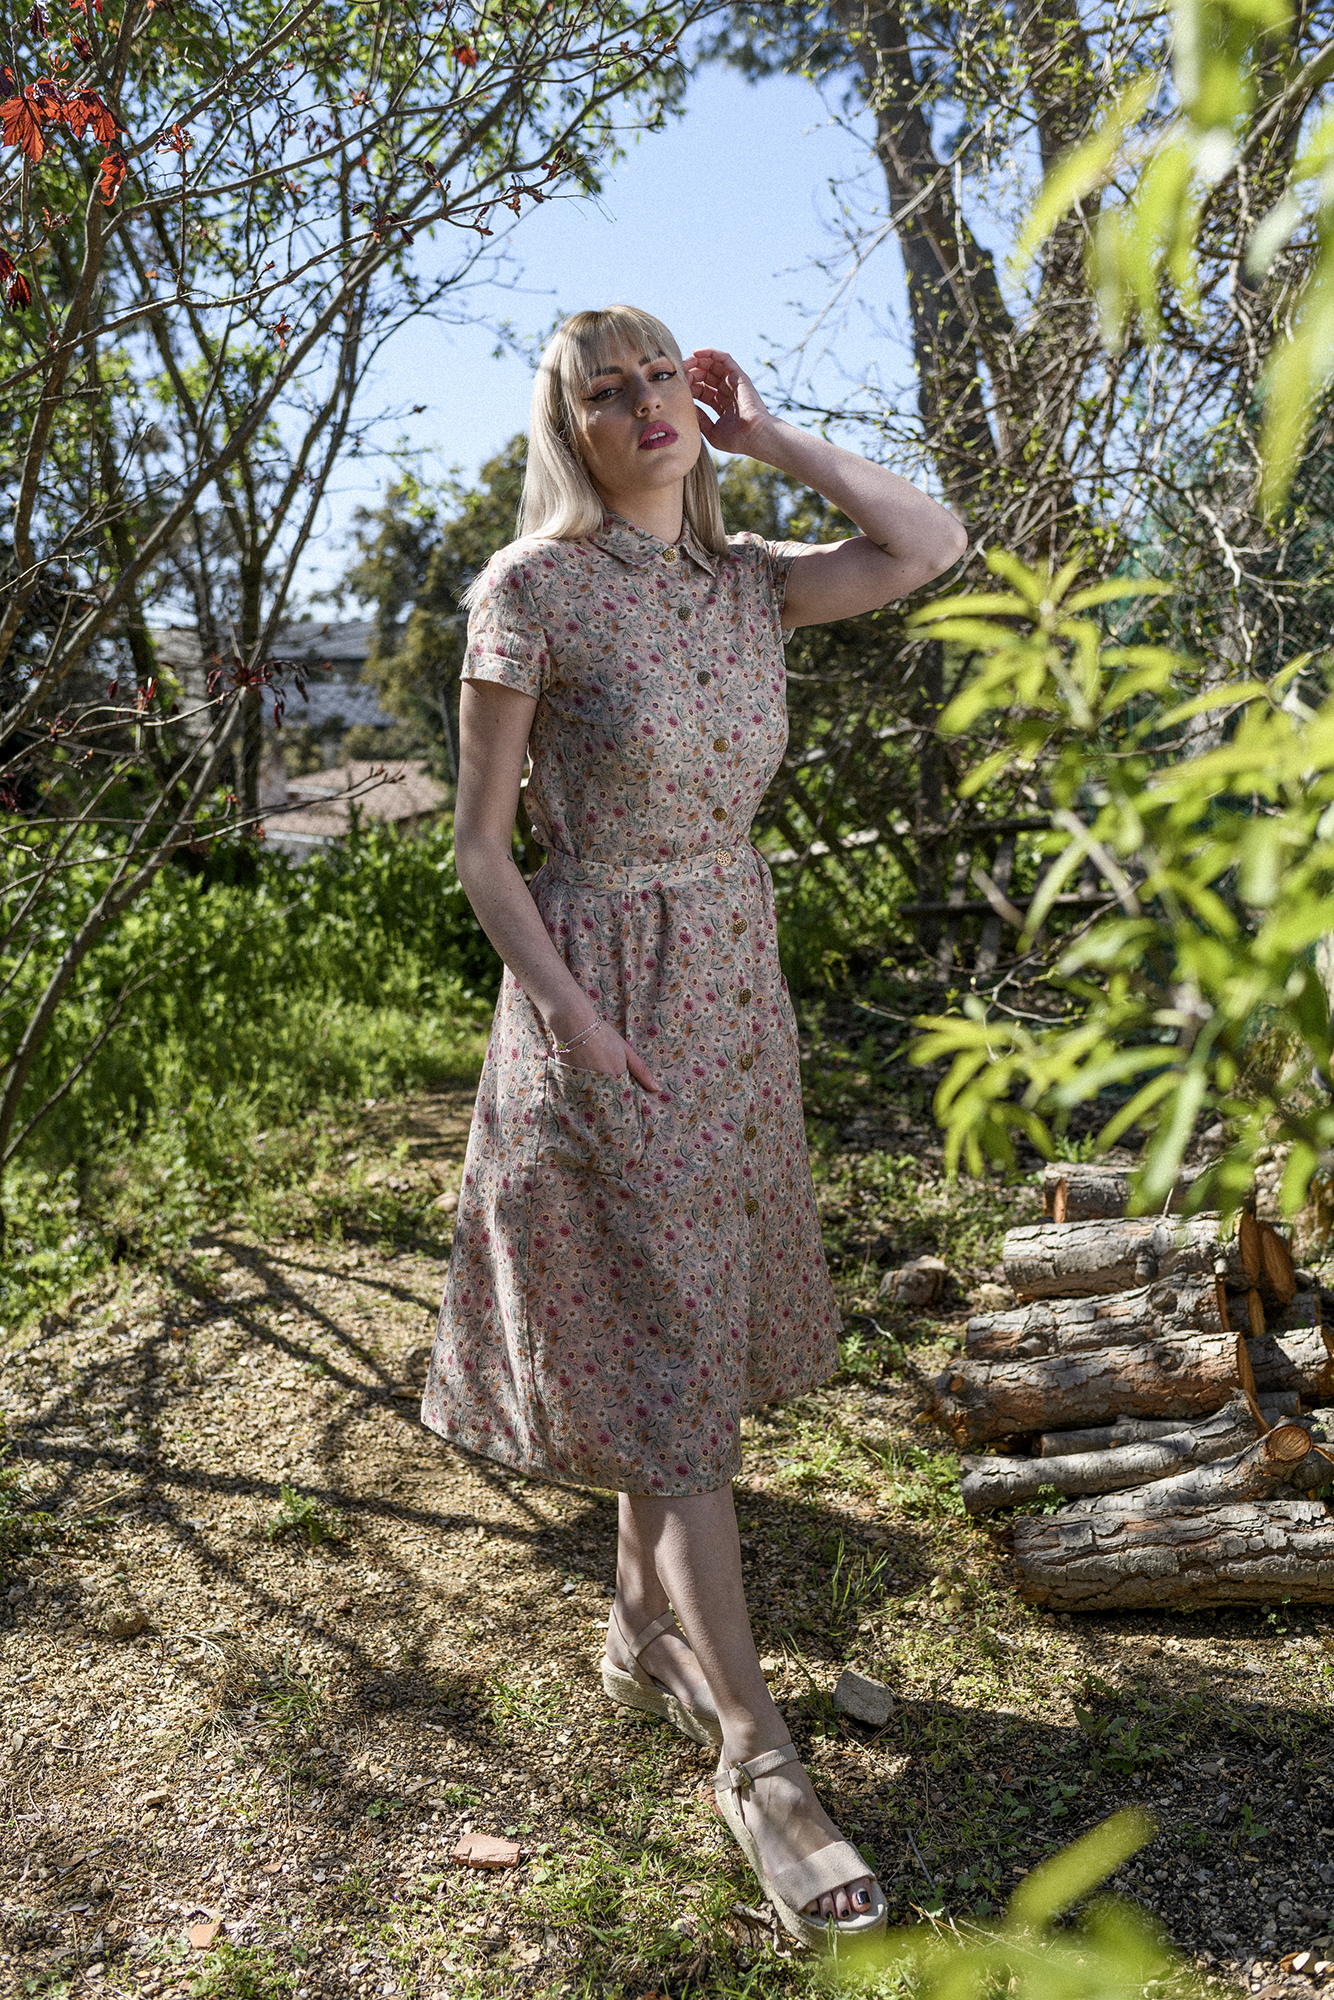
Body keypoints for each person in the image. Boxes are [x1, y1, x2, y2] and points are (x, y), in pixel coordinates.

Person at [421, 305, 966, 1945]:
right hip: (601, 986)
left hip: (733, 976)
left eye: (661, 374)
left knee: (683, 1327)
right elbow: (481, 849)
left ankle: (643, 1633)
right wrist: (571, 1020)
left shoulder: (747, 581)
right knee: (661, 1356)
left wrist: (771, 439)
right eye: (608, 388)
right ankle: (756, 1756)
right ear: (570, 427)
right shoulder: (530, 591)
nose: (644, 401)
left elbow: (929, 542)